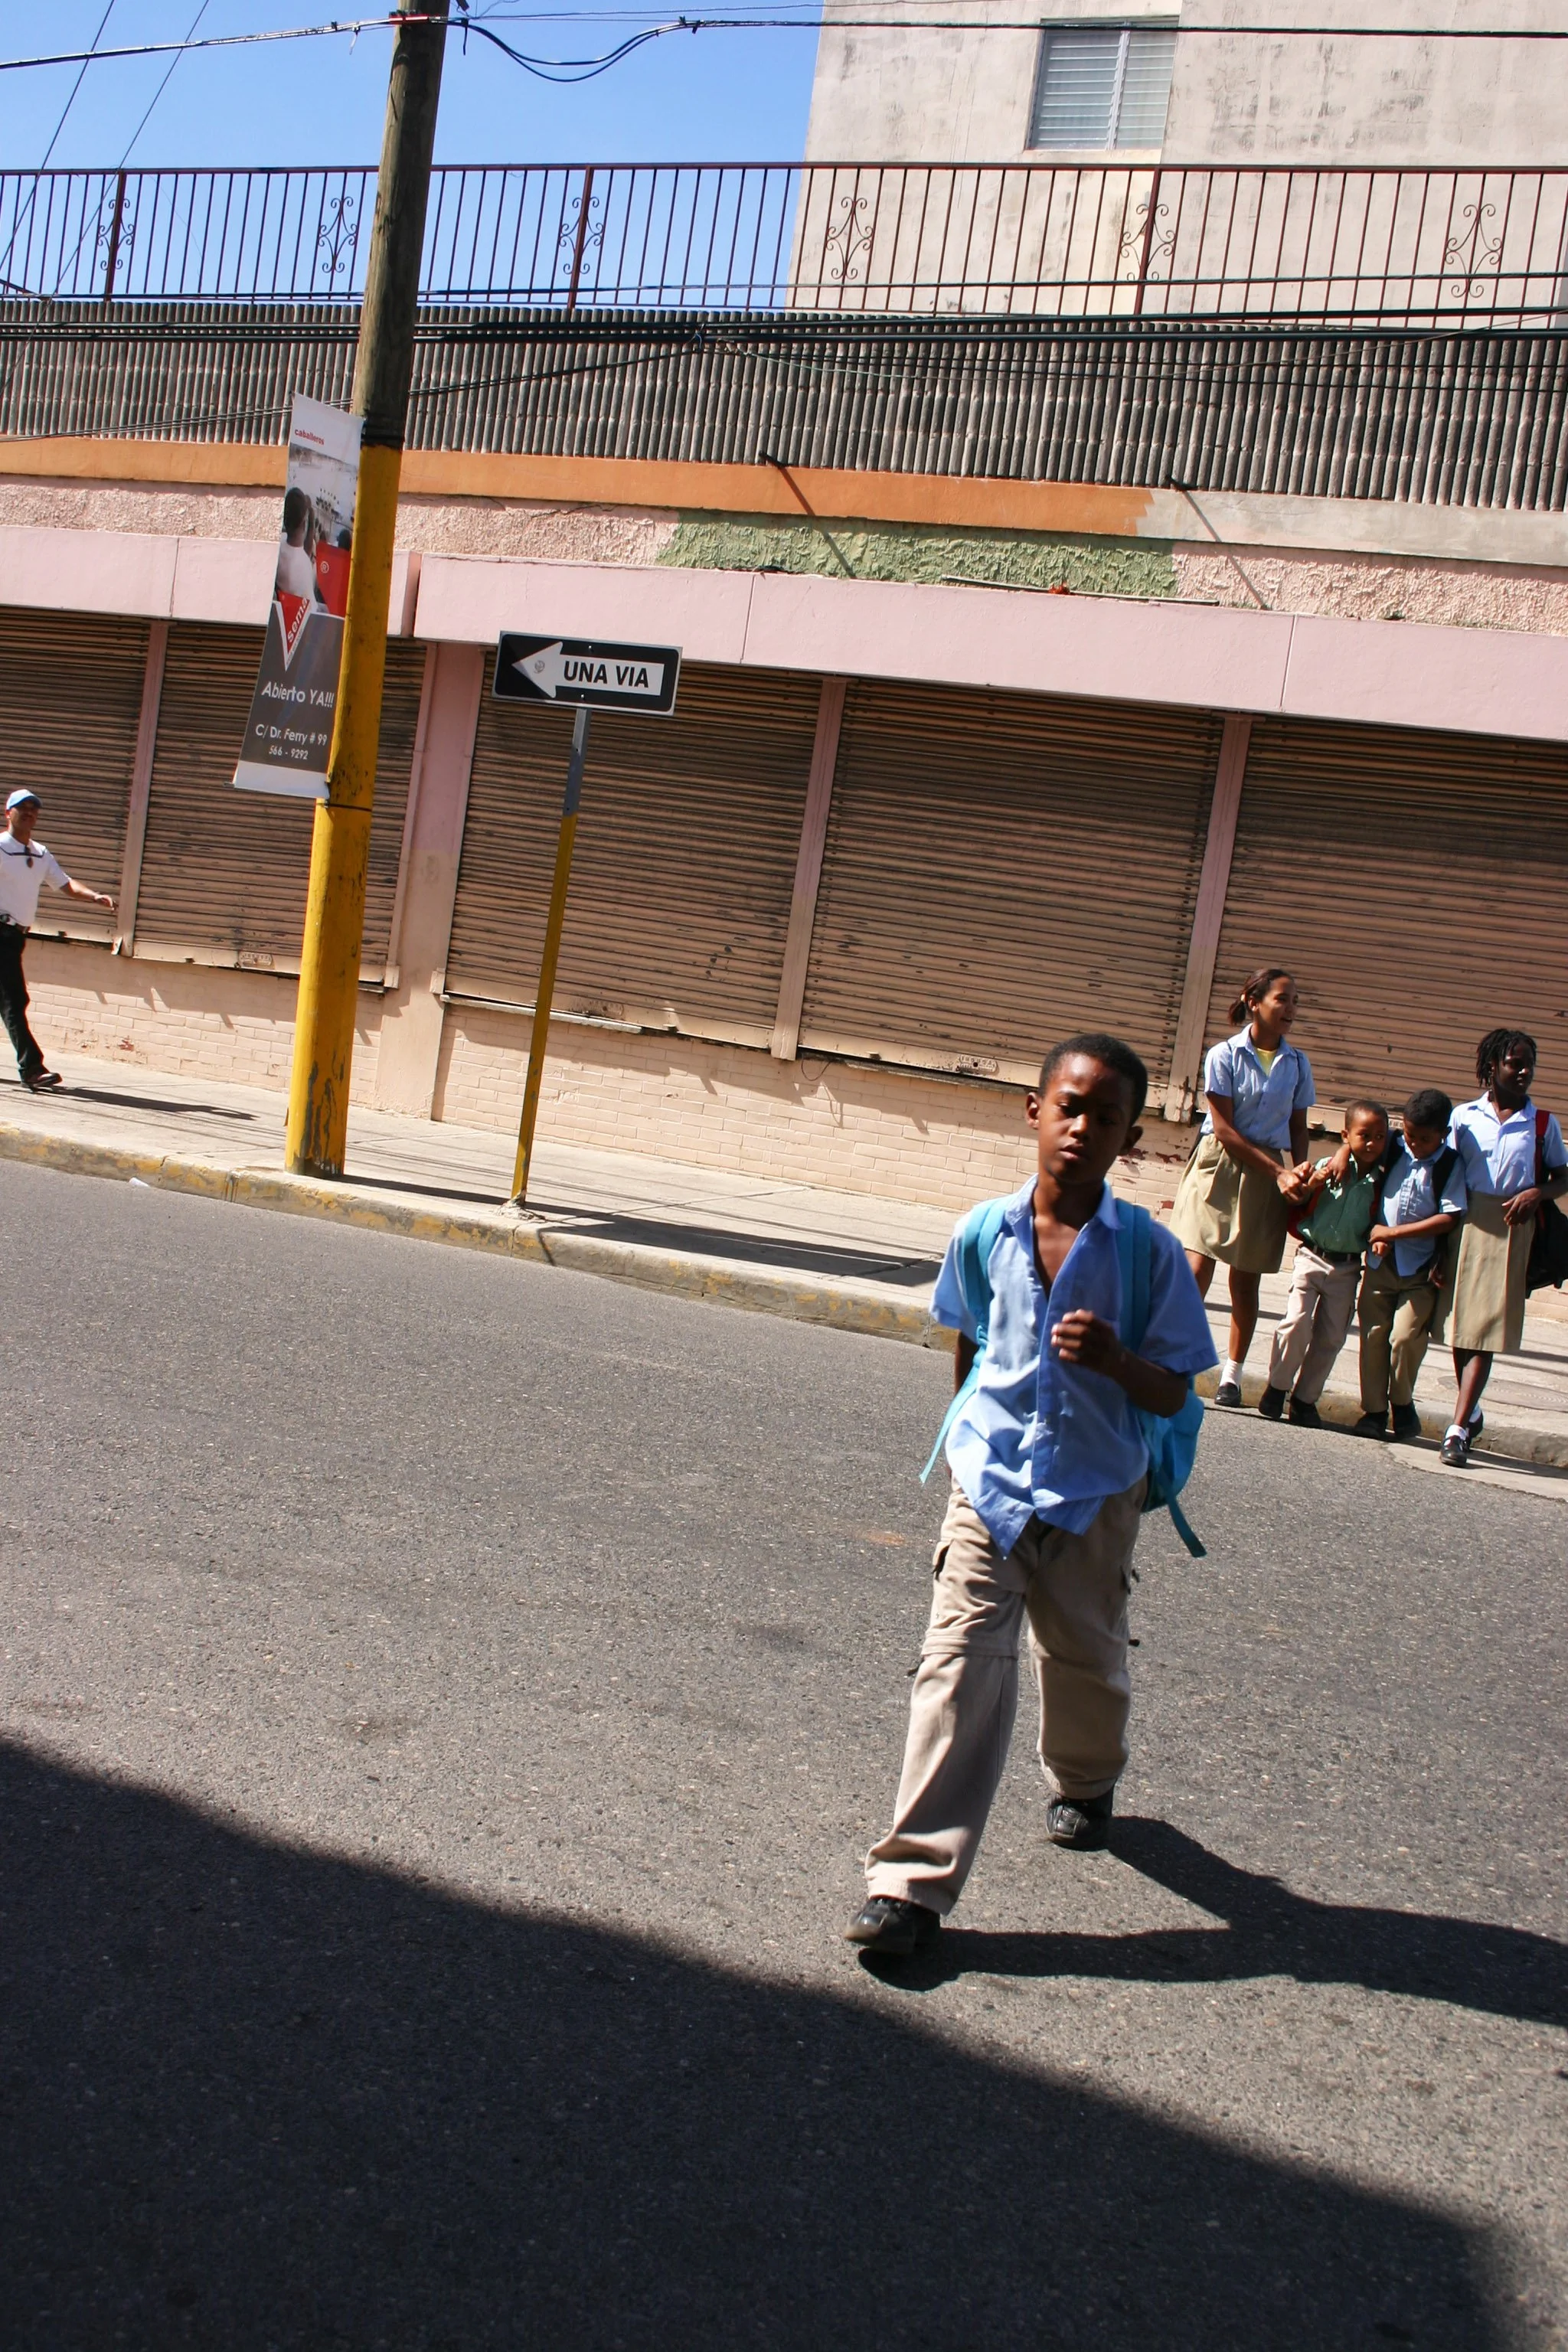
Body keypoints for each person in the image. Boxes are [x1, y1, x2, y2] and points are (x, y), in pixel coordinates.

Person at [844, 1034, 1217, 1960]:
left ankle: (1085, 1783)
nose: (1081, 1128)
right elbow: (970, 1347)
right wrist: (980, 1446)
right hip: (991, 1484)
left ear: (1129, 1136)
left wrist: (1115, 1361)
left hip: (1095, 1492)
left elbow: (1176, 1390)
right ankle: (908, 1886)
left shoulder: (1148, 1254)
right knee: (957, 1667)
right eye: (1069, 1106)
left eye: (1105, 1116)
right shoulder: (982, 1231)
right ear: (1034, 1111)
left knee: (1083, 1655)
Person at [1170, 967, 1315, 1407]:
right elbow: (1225, 1131)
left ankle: (1231, 1376)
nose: (1290, 1009)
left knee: (1245, 1281)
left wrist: (1301, 1173)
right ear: (1254, 1002)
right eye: (1282, 999)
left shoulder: (1298, 1063)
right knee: (1197, 1269)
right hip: (1218, 1166)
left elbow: (1297, 1126)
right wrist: (1280, 1172)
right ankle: (1176, 1364)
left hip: (1266, 1176)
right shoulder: (1224, 1056)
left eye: (1295, 1001)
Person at [1440, 1030, 1568, 1468]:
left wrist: (1537, 1194)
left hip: (1513, 1230)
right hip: (1467, 1222)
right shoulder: (1464, 1118)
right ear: (1493, 1066)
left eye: (1530, 1063)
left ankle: (1456, 1431)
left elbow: (1563, 1176)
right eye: (1515, 1063)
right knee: (1461, 1326)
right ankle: (1471, 1411)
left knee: (1487, 1330)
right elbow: (1444, 1173)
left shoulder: (1543, 1123)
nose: (1524, 1071)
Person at [1256, 1100, 1388, 1427]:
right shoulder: (1328, 1166)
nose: (1372, 1143)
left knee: (1331, 1337)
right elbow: (1297, 1198)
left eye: (1380, 1136)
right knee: (1297, 1322)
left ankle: (1304, 1400)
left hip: (1346, 1268)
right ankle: (1278, 1386)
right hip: (1312, 1256)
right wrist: (1314, 1181)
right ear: (1346, 1135)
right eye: (1364, 1135)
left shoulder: (1383, 1181)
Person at [1352, 1089, 1467, 1442]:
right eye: (1410, 1134)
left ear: (1443, 1136)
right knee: (1373, 1336)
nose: (1415, 1144)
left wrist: (1394, 1232)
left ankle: (1401, 1405)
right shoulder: (1393, 1146)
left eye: (1425, 1139)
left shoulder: (1450, 1165)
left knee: (1405, 1337)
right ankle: (1373, 1411)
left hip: (1420, 1270)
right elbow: (1358, 1145)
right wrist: (1343, 1151)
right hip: (1380, 1263)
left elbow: (1448, 1218)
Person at [0, 789, 114, 1091]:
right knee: (13, 1001)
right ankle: (32, 1068)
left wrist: (94, 896)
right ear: (7, 812)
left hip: (14, 937)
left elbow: (64, 884)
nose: (29, 813)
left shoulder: (40, 853)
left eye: (34, 810)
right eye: (21, 808)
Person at [275, 487, 318, 603]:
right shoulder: (304, 568)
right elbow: (313, 611)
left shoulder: (278, 547)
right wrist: (311, 517)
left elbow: (304, 551)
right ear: (304, 522)